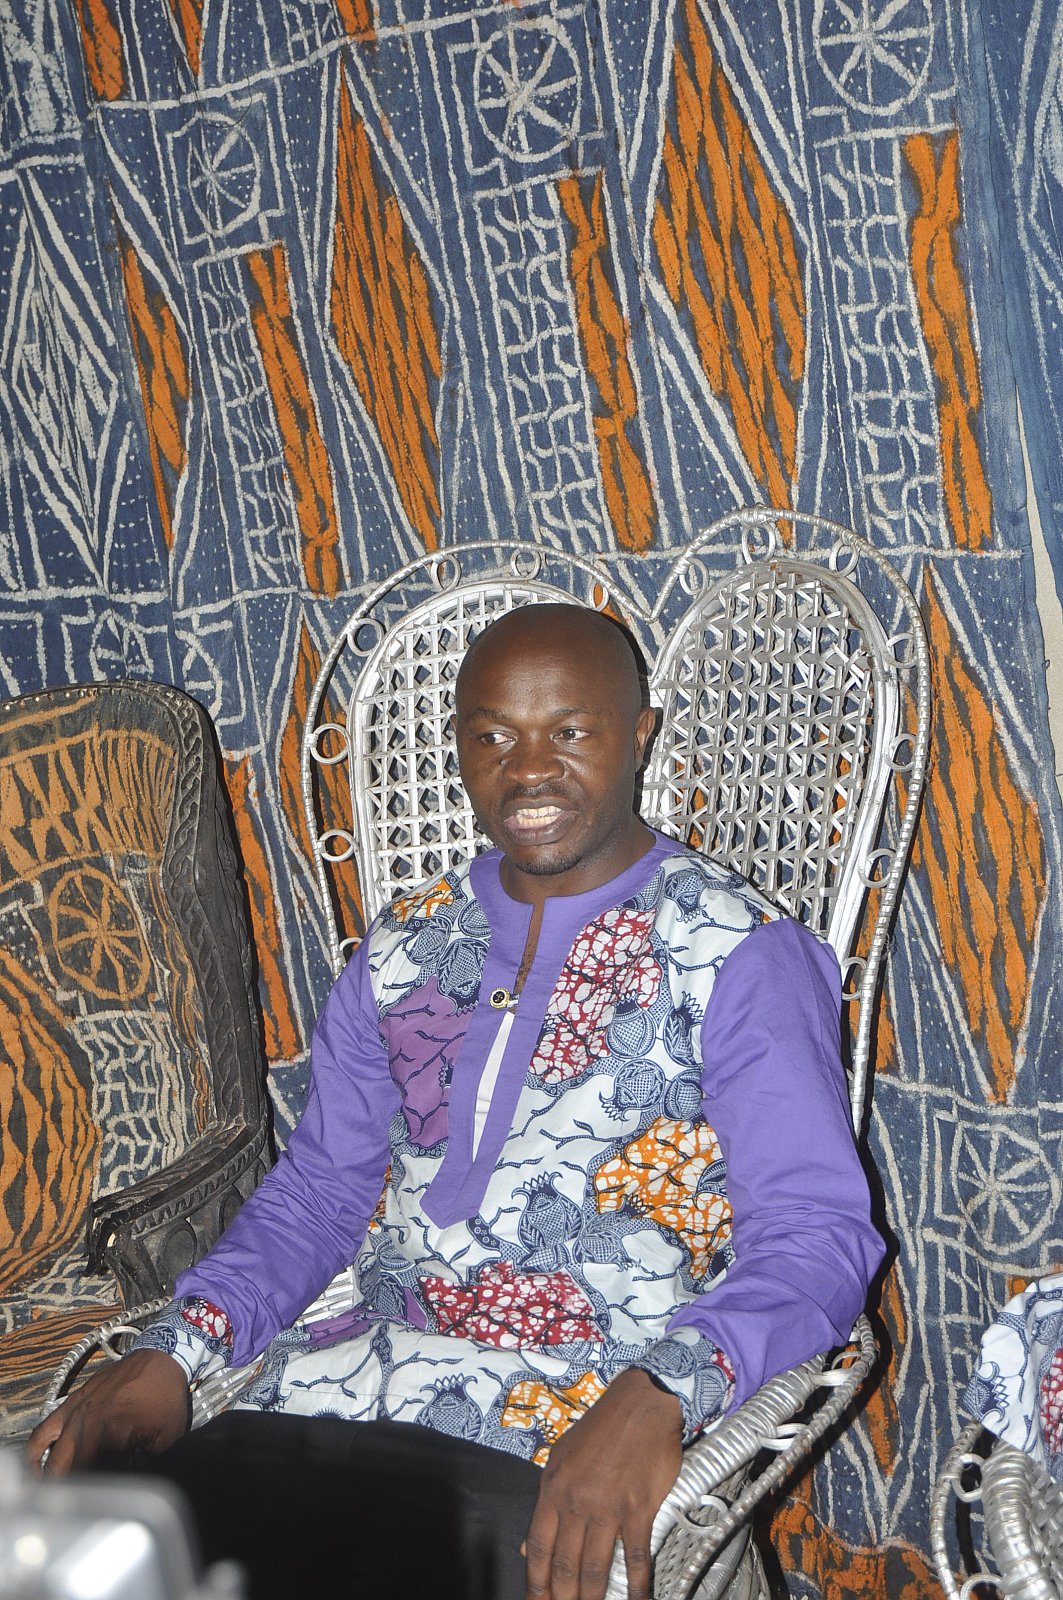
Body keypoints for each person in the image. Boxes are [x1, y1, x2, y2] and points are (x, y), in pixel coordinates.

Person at [28, 604, 883, 1600]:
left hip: (567, 1432)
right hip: (328, 1404)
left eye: (571, 731)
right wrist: (171, 1353)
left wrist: (660, 1393)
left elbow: (818, 1235)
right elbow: (319, 1193)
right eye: (493, 737)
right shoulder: (405, 946)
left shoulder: (736, 951)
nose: (529, 770)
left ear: (638, 734)